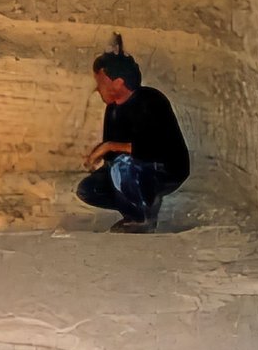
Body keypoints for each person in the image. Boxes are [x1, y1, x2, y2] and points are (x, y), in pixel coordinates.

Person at [76, 38, 190, 233]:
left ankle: (141, 219)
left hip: (164, 169)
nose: (97, 88)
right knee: (89, 189)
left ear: (118, 83)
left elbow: (152, 149)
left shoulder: (150, 100)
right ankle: (138, 208)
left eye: (101, 82)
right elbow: (113, 156)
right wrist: (98, 160)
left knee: (124, 165)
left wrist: (108, 147)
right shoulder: (113, 109)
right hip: (133, 169)